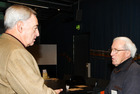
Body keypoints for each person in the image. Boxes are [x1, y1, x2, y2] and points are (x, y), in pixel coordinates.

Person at [0, 5, 63, 94]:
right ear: (20, 27)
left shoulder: (3, 44)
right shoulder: (16, 53)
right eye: (35, 28)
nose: (37, 34)